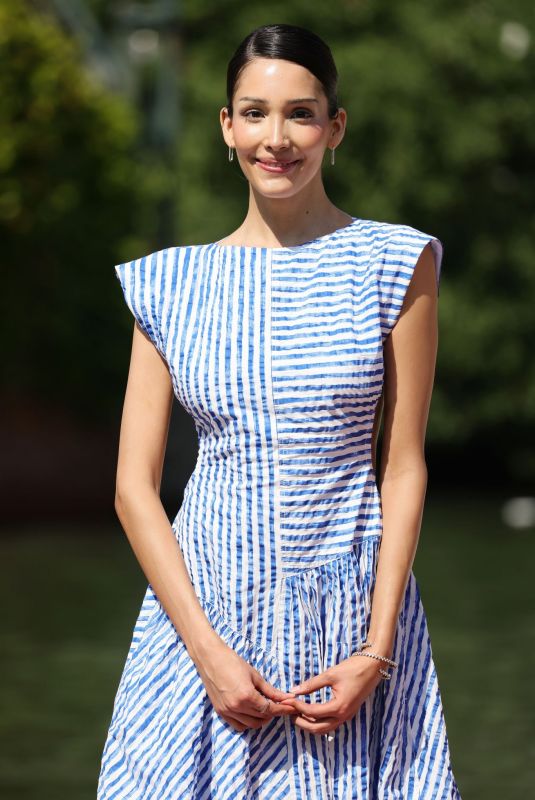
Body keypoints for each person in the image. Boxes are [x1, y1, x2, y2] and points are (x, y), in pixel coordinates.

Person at [98, 22, 462, 800]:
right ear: (225, 126)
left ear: (334, 127)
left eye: (301, 114)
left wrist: (376, 648)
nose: (277, 138)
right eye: (254, 112)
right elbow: (134, 485)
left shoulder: (397, 262)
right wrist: (208, 655)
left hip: (351, 628)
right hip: (202, 622)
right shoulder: (166, 284)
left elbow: (401, 465)